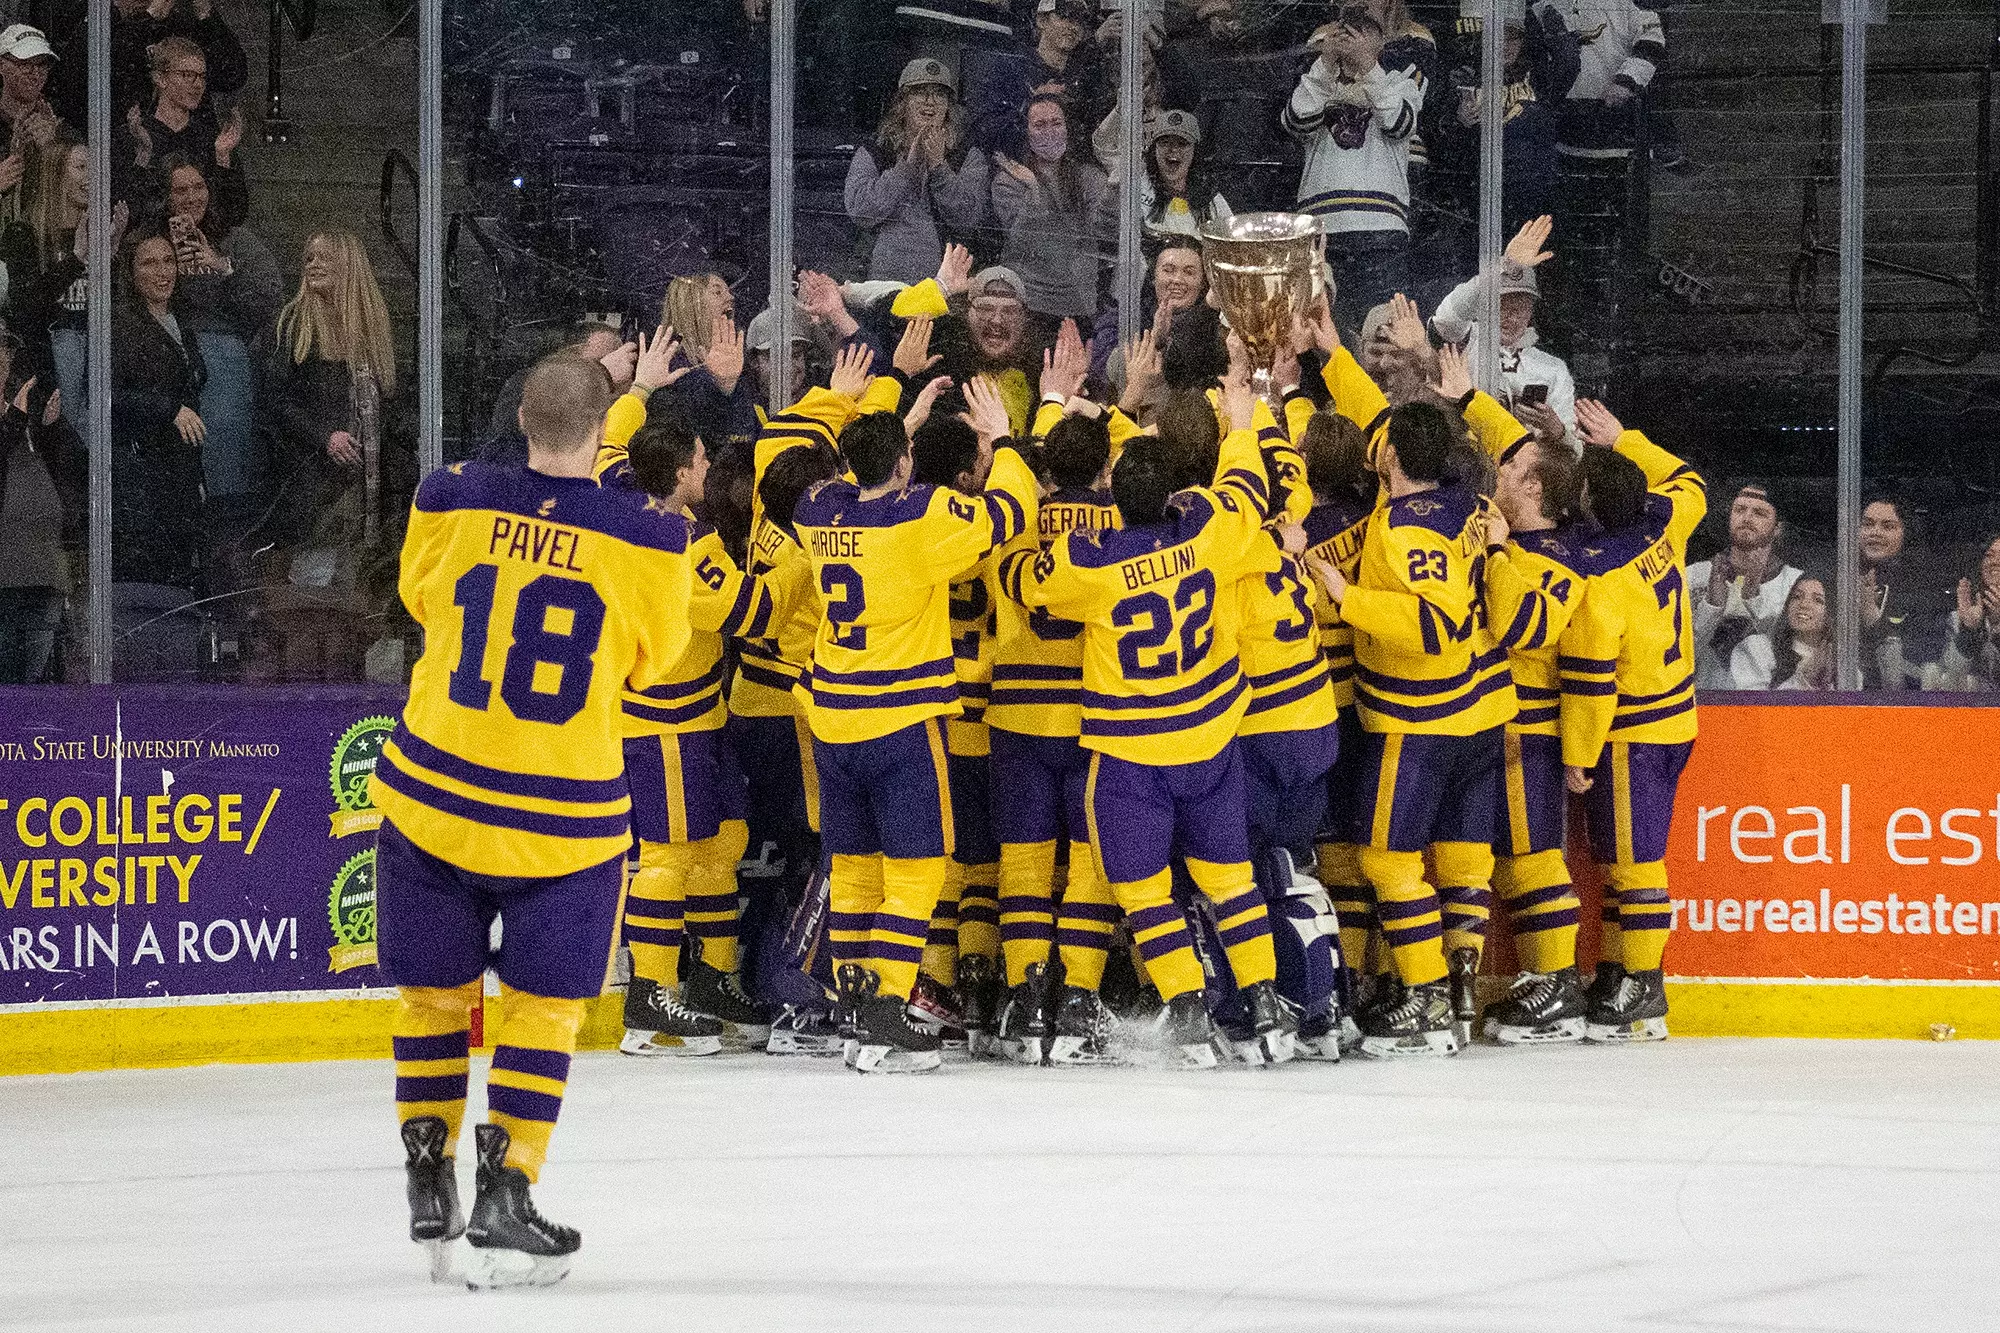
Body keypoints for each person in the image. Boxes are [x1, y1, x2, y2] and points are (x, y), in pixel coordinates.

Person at [373, 353, 696, 1288]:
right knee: (543, 1011)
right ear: (606, 434)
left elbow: (422, 600)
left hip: (433, 795)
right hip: (564, 819)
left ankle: (427, 1171)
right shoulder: (651, 536)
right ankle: (506, 1191)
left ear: (519, 415)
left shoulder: (449, 496)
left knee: (432, 999)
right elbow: (654, 662)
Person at [1024, 359, 1298, 1069]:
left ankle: (1187, 1005)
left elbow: (1030, 583)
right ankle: (1266, 1003)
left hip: (1132, 753)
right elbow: (1245, 483)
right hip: (1210, 741)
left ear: (1114, 500)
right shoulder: (1209, 526)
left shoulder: (1092, 559)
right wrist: (1244, 420)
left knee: (1141, 888)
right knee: (1230, 879)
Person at [791, 376, 1037, 1074]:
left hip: (834, 719)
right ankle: (887, 1008)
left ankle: (854, 1007)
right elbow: (1008, 512)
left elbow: (851, 475)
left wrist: (893, 423)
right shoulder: (921, 515)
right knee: (919, 870)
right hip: (899, 721)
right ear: (904, 462)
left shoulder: (817, 510)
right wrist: (1004, 441)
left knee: (854, 870)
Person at [1303, 383, 1516, 1059]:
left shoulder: (1402, 526)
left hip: (1421, 715)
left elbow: (1435, 624)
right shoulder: (1476, 505)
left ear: (1392, 455)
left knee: (1387, 859)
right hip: (1483, 709)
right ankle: (1457, 990)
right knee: (1461, 855)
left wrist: (1348, 596)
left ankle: (1425, 995)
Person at [606, 406, 776, 1056]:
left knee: (721, 842)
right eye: (701, 461)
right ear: (680, 475)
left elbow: (609, 448)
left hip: (700, 714)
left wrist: (641, 387)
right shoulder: (687, 543)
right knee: (669, 855)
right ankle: (649, 994)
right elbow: (749, 611)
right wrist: (798, 561)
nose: (708, 467)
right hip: (667, 722)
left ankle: (710, 978)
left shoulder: (618, 501)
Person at [1442, 346, 1593, 1044]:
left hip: (1528, 735)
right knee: (1486, 858)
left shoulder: (1559, 560)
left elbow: (1523, 625)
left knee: (1531, 860)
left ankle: (1558, 984)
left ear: (1532, 489)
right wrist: (1467, 397)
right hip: (1487, 727)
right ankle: (1523, 981)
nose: (1498, 471)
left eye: (1511, 470)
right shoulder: (1527, 524)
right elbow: (1511, 441)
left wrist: (1498, 553)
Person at [1557, 396, 1706, 1043]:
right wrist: (1624, 437)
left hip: (1630, 736)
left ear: (1590, 507)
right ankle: (1621, 971)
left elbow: (1592, 686)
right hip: (1676, 721)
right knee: (1625, 859)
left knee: (1634, 864)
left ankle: (1645, 986)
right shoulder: (1665, 523)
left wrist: (1577, 753)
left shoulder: (1600, 580)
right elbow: (1689, 479)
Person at [988, 401, 1125, 1064]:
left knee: (1024, 862)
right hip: (1092, 716)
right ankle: (1078, 999)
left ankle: (1027, 998)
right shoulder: (1125, 523)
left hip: (1016, 714)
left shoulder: (1017, 523)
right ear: (1105, 470)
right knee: (1089, 863)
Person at [906, 411, 1006, 1051]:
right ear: (968, 473)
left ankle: (939, 983)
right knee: (984, 863)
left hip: (932, 717)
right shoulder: (989, 527)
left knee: (941, 863)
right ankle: (977, 980)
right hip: (988, 716)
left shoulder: (903, 523)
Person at [254, 231, 401, 625]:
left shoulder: (370, 333)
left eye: (325, 257)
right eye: (309, 257)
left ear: (349, 265)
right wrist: (324, 437)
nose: (314, 264)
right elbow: (273, 401)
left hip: (362, 496)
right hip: (314, 493)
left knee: (353, 609)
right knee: (312, 601)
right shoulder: (293, 324)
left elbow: (390, 418)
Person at [1282, 5, 1423, 342]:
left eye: (1364, 32)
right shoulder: (1316, 85)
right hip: (1321, 232)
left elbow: (1400, 123)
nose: (1353, 39)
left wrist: (1368, 67)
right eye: (1346, 32)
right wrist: (1325, 63)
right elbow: (1295, 120)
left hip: (1382, 232)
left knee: (1384, 337)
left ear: (1381, 42)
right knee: (1319, 335)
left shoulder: (1400, 83)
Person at [160, 154, 281, 526]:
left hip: (224, 354)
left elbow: (270, 298)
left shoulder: (235, 239)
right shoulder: (152, 243)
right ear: (166, 197)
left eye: (199, 187)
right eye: (181, 190)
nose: (192, 197)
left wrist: (222, 266)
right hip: (167, 346)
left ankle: (225, 518)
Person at [110, 232, 206, 601]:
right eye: (149, 263)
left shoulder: (181, 319)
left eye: (168, 261)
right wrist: (168, 409)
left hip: (183, 468)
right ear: (131, 272)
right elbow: (105, 394)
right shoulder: (120, 325)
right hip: (143, 471)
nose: (162, 271)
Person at [1428, 216, 1578, 447]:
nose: (1512, 316)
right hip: (1467, 456)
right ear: (1486, 304)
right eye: (1504, 304)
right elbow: (1447, 318)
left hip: (1524, 464)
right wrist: (1502, 267)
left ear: (1531, 311)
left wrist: (1555, 429)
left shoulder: (1553, 368)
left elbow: (1574, 452)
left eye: (1521, 307)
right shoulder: (1466, 340)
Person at [844, 57, 990, 285]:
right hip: (878, 284)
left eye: (939, 94)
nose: (930, 102)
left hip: (943, 286)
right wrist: (905, 169)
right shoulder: (875, 151)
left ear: (949, 107)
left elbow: (968, 219)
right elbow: (860, 212)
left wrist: (939, 167)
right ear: (903, 102)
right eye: (920, 92)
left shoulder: (967, 156)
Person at [1, 131, 106, 431]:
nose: (91, 177)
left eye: (95, 168)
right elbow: (26, 309)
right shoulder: (23, 233)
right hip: (52, 360)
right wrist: (75, 259)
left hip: (95, 357)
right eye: (81, 167)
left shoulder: (100, 233)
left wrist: (109, 255)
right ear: (56, 173)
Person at [990, 94, 1111, 325]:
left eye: (1056, 123)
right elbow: (1022, 241)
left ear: (1068, 128)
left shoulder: (1089, 177)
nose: (1049, 132)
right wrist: (1034, 189)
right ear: (1026, 132)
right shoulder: (1008, 181)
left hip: (1078, 302)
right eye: (1039, 125)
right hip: (1029, 303)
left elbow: (1104, 230)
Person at [0, 344, 80, 684]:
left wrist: (51, 426)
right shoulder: (15, 421)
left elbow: (72, 470)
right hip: (5, 577)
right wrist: (15, 420)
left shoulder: (26, 421)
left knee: (34, 684)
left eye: (4, 364)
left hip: (43, 573)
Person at [119, 36, 246, 233]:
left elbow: (235, 214)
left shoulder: (211, 139)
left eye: (202, 76)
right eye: (187, 75)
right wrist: (143, 155)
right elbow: (123, 212)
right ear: (160, 78)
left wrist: (223, 157)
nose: (197, 84)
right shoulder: (133, 135)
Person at [1686, 481, 1801, 690]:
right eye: (1739, 510)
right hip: (1701, 700)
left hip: (1766, 704)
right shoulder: (1694, 576)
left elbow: (1791, 653)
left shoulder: (1797, 584)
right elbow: (1676, 655)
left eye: (1759, 513)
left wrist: (1753, 596)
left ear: (1778, 528)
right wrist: (1711, 606)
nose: (1747, 518)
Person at [479, 320, 631, 467]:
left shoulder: (619, 399)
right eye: (600, 360)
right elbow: (510, 427)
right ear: (570, 357)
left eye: (619, 362)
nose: (618, 369)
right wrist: (603, 373)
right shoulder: (531, 381)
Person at [964, 0, 1105, 157]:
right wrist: (1032, 104)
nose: (1072, 26)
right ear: (1042, 21)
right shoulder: (1010, 69)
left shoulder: (1081, 78)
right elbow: (982, 129)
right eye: (1064, 17)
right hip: (1013, 163)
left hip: (1065, 166)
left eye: (1079, 21)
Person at [1857, 495, 1940, 690]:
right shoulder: (1837, 579)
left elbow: (1921, 673)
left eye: (1888, 526)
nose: (1875, 533)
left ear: (1905, 534)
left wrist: (1875, 623)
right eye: (1868, 524)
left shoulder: (1921, 591)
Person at [1132, 109, 1231, 244]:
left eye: (1182, 144)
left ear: (1195, 152)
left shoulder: (1212, 201)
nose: (1173, 149)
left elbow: (1231, 245)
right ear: (1154, 150)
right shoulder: (1136, 194)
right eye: (1165, 142)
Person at [0, 24, 62, 220]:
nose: (35, 73)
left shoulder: (61, 126)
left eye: (42, 64)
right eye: (25, 63)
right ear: (2, 65)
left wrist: (53, 149)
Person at [1731, 574, 1832, 692]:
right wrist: (1804, 679)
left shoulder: (1843, 661)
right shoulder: (1758, 648)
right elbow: (1753, 702)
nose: (1804, 604)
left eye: (1818, 600)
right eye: (1797, 596)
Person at [1931, 536, 2000, 692]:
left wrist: (1998, 626)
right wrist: (1968, 631)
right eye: (1989, 555)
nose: (1995, 562)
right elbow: (1947, 679)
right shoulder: (1961, 617)